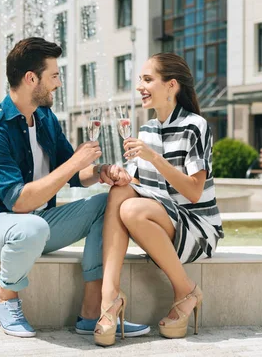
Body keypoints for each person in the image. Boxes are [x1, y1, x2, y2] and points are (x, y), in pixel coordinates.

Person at [0, 37, 150, 338]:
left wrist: (102, 171)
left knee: (110, 203)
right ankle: (6, 297)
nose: (58, 84)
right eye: (54, 76)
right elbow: (19, 202)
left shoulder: (46, 119)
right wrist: (76, 163)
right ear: (30, 78)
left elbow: (73, 174)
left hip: (39, 224)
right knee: (30, 227)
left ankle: (91, 311)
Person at [94, 53, 224, 347]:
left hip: (197, 229)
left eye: (148, 79)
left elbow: (193, 191)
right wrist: (118, 174)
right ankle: (109, 297)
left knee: (132, 209)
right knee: (120, 193)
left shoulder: (196, 126)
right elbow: (141, 185)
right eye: (140, 79)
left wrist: (153, 156)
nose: (140, 86)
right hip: (166, 222)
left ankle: (186, 291)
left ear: (171, 85)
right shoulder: (148, 129)